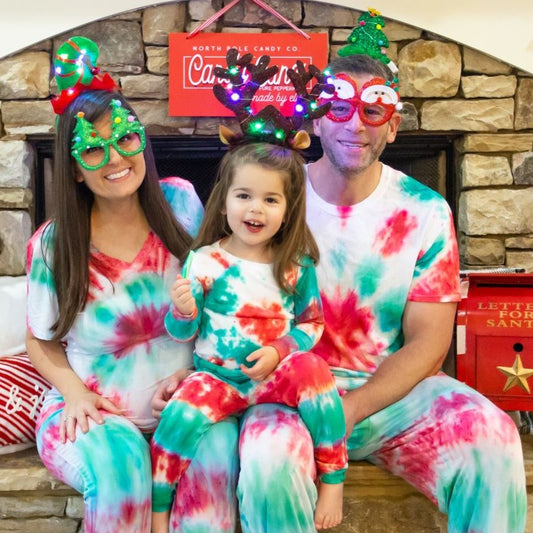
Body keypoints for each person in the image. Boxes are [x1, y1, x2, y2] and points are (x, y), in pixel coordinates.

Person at [154, 52, 527, 533]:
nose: (356, 123)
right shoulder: (272, 197)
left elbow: (429, 342)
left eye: (373, 110)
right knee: (268, 464)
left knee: (493, 438)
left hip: (388, 395)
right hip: (283, 393)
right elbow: (220, 298)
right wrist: (186, 373)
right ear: (318, 121)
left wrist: (351, 409)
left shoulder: (425, 212)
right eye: (339, 106)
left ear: (392, 126)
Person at [25, 36, 239, 533]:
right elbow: (40, 338)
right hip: (93, 412)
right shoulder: (55, 244)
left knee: (218, 459)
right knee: (123, 475)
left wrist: (199, 375)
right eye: (93, 150)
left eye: (124, 138)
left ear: (141, 138)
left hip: (184, 402)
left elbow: (218, 302)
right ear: (75, 170)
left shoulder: (183, 204)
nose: (115, 157)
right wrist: (74, 393)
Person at [150, 141, 348, 533]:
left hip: (272, 380)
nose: (256, 208)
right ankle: (159, 512)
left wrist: (280, 351)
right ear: (224, 203)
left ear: (288, 210)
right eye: (244, 196)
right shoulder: (205, 260)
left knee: (315, 371)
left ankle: (332, 481)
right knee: (175, 421)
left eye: (271, 199)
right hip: (216, 379)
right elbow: (181, 332)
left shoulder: (295, 263)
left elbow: (311, 324)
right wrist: (184, 311)